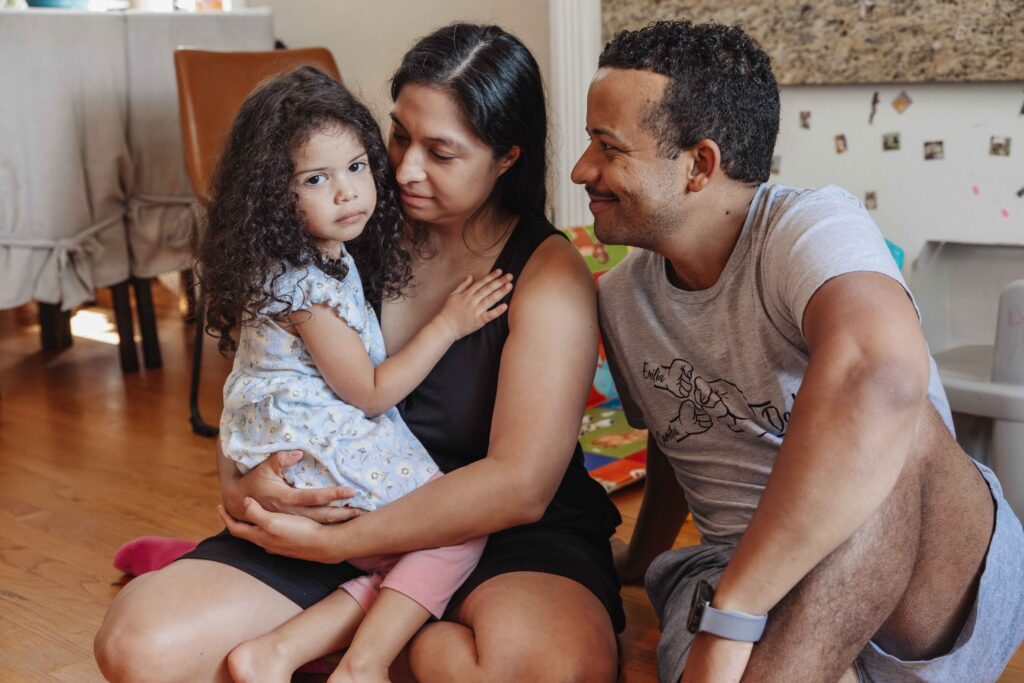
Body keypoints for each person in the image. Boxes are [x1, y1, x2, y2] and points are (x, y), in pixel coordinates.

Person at [94, 23, 623, 683]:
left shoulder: (548, 276)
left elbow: (517, 487)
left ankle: (360, 650)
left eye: (441, 152)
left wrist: (339, 543)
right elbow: (268, 383)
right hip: (348, 504)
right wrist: (244, 487)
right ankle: (381, 647)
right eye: (399, 135)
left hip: (492, 532)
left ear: (507, 156)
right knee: (138, 645)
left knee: (547, 671)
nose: (403, 170)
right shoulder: (336, 228)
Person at [573, 20, 1024, 683]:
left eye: (608, 147)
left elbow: (883, 376)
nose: (584, 170)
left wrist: (733, 616)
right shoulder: (620, 297)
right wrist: (642, 557)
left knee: (891, 409)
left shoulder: (810, 225)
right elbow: (678, 439)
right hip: (735, 569)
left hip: (922, 578)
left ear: (700, 165)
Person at [195, 65, 517, 683]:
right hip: (322, 455)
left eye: (357, 167)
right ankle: (362, 666)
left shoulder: (297, 261)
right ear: (274, 197)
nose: (347, 192)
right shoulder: (309, 290)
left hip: (293, 448)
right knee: (450, 537)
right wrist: (449, 325)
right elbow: (369, 393)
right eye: (317, 178)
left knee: (402, 558)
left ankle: (276, 654)